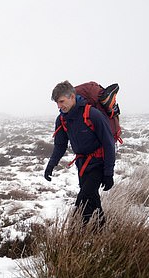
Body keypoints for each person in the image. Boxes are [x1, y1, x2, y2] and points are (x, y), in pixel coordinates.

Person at [44, 80, 116, 224]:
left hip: (98, 164)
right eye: (57, 103)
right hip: (82, 165)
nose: (59, 106)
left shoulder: (93, 114)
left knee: (82, 203)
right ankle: (101, 229)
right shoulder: (62, 119)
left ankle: (76, 234)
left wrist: (108, 173)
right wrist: (51, 165)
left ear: (72, 97)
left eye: (61, 101)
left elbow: (109, 144)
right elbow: (60, 145)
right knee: (93, 200)